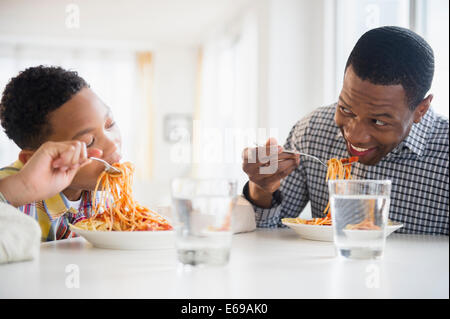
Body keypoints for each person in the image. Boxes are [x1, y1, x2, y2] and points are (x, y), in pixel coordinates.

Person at [241, 26, 449, 235]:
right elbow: (266, 232)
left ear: (421, 109)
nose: (353, 135)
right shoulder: (313, 130)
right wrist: (261, 186)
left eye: (378, 121)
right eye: (346, 109)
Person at [0, 66, 122, 241]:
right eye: (88, 142)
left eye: (110, 124)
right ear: (32, 159)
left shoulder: (104, 196)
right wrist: (24, 187)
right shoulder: (12, 191)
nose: (113, 144)